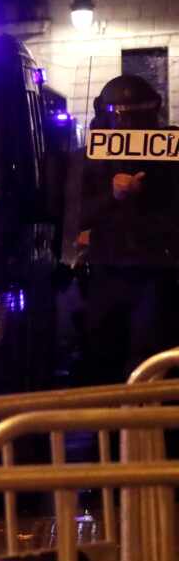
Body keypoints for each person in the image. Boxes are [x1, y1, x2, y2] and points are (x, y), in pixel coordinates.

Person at [76, 74, 179, 386]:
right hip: (108, 268)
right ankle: (110, 429)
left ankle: (146, 429)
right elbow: (77, 216)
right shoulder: (92, 159)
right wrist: (113, 196)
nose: (130, 124)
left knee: (148, 355)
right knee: (104, 352)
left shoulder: (170, 153)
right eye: (122, 115)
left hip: (157, 271)